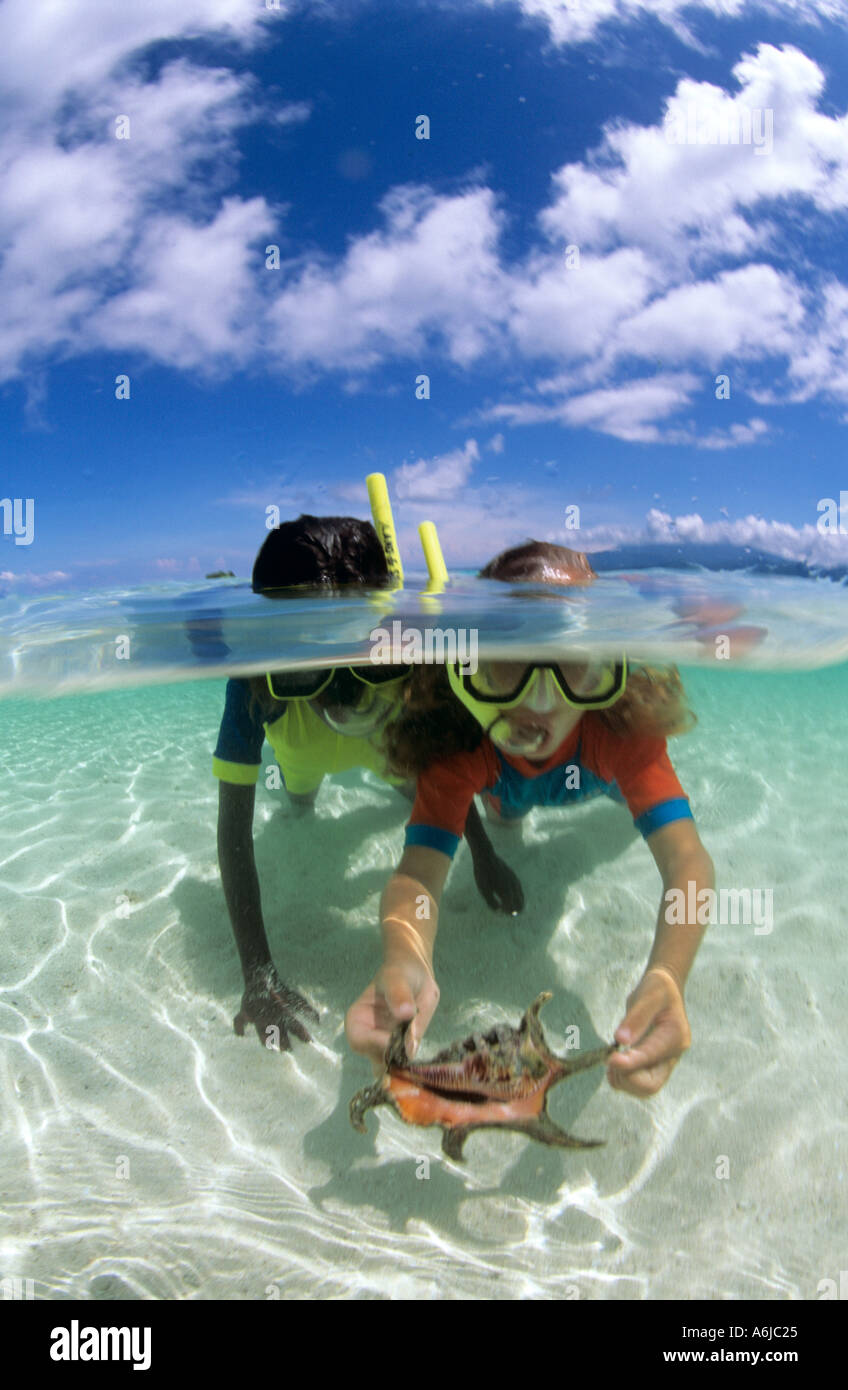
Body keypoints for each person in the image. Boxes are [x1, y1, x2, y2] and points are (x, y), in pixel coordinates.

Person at [346, 540, 715, 1099]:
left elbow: (685, 860)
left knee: (626, 814)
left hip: (601, 779)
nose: (541, 702)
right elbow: (419, 875)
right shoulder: (458, 752)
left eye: (575, 669)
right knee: (505, 819)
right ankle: (510, 814)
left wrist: (668, 975)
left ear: (607, 665)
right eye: (506, 668)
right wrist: (406, 955)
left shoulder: (622, 731)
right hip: (505, 788)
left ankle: (590, 801)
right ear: (469, 665)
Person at [214, 515, 522, 1053]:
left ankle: (360, 798)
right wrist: (257, 974)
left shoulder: (411, 654)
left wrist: (483, 853)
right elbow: (233, 829)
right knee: (300, 802)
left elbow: (441, 776)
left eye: (368, 657)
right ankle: (302, 803)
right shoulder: (255, 677)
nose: (341, 692)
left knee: (413, 789)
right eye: (307, 657)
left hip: (385, 748)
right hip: (301, 749)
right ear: (273, 643)